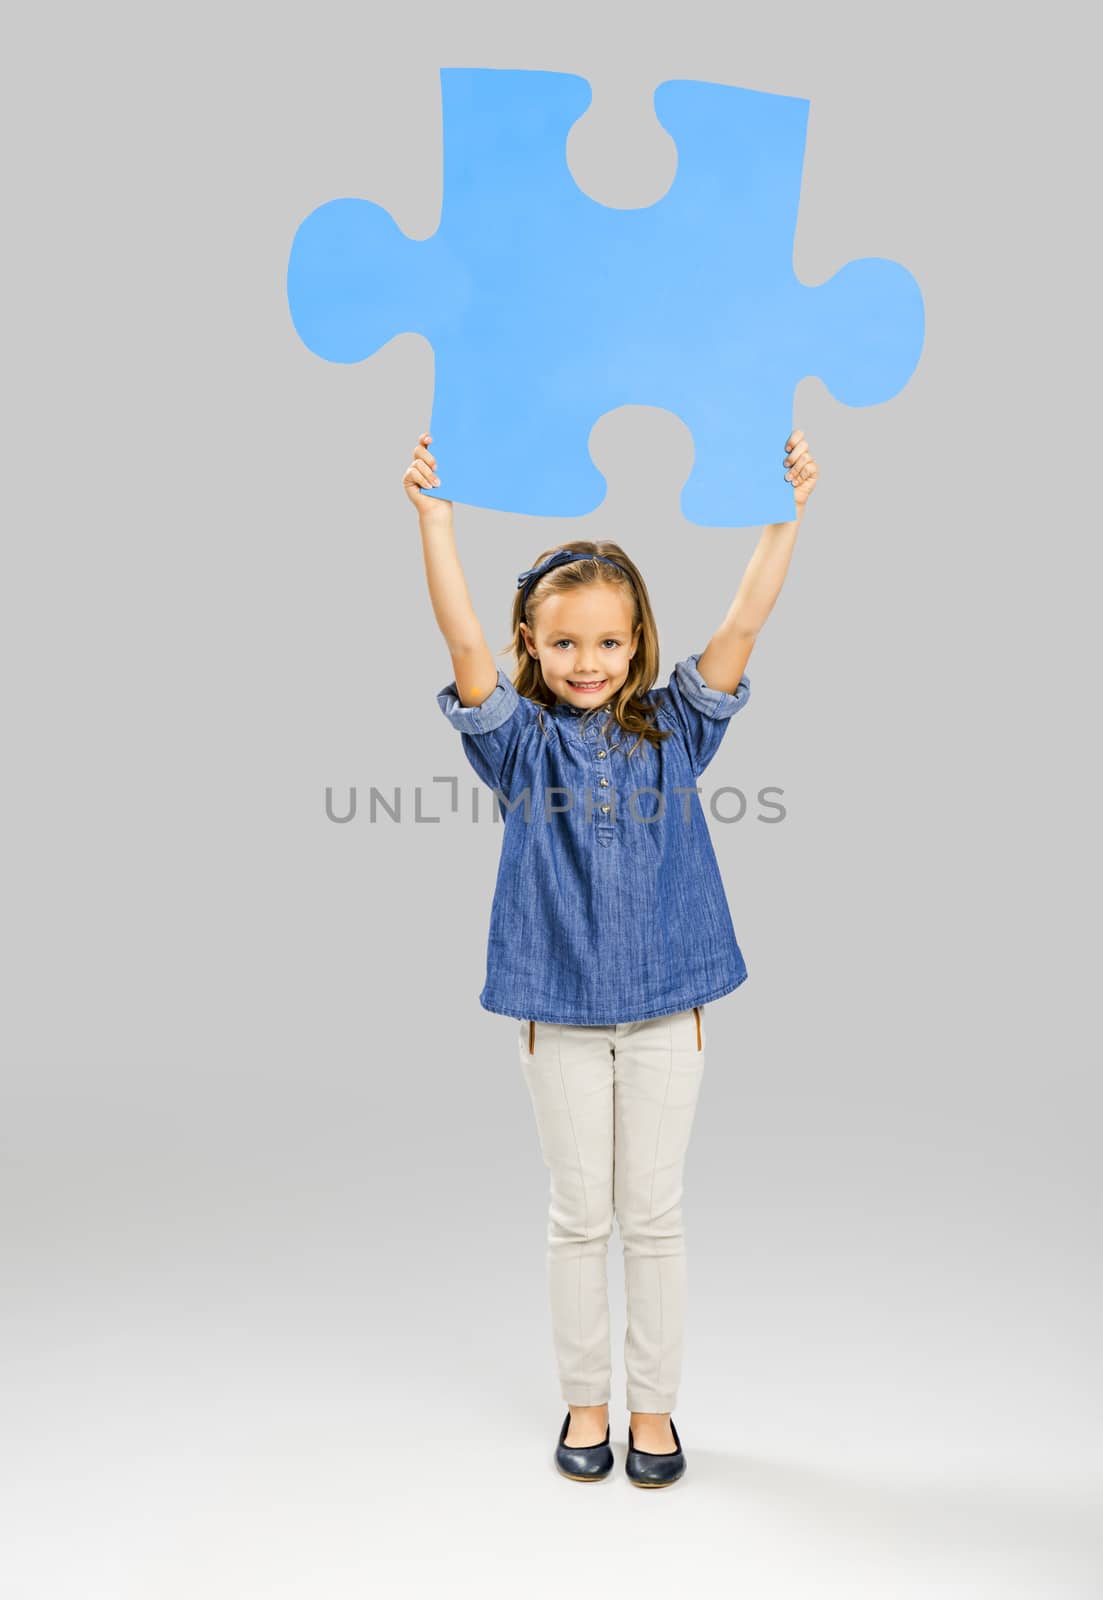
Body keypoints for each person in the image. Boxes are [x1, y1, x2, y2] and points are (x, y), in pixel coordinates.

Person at [403, 429, 819, 1486]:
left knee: (655, 1214)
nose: (586, 663)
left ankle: (654, 1412)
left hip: (667, 1006)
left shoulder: (678, 726)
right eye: (561, 646)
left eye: (606, 642)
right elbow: (458, 642)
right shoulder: (516, 742)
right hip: (559, 1010)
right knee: (577, 1212)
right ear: (531, 649)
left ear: (636, 642)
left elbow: (744, 620)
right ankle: (584, 1403)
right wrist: (434, 521)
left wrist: (785, 516)